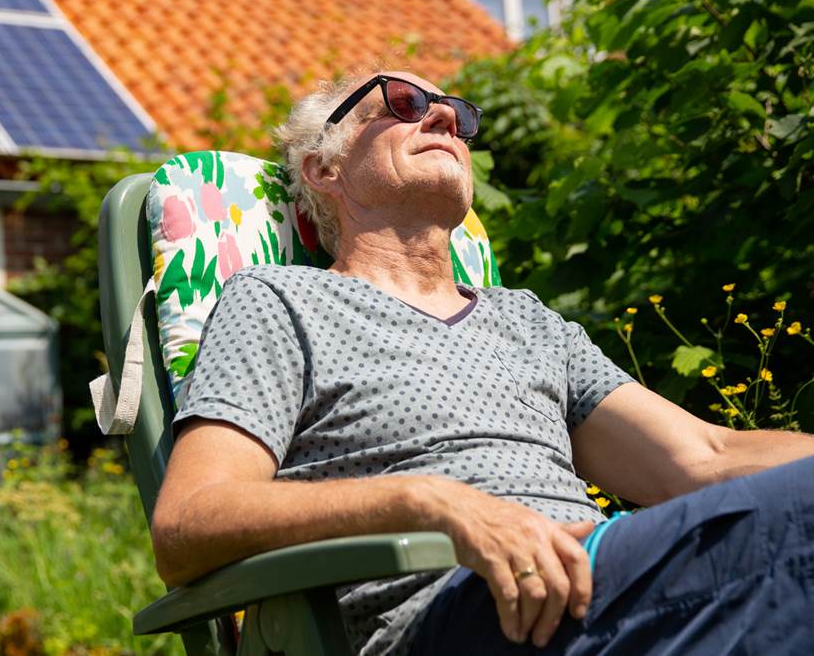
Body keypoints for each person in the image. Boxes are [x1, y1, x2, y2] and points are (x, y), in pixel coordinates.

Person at [149, 71, 814, 655]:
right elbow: (187, 524)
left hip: (594, 584)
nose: (444, 116)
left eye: (455, 113)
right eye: (403, 101)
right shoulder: (279, 299)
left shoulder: (526, 319)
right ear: (325, 168)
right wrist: (428, 501)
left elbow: (706, 455)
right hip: (444, 614)